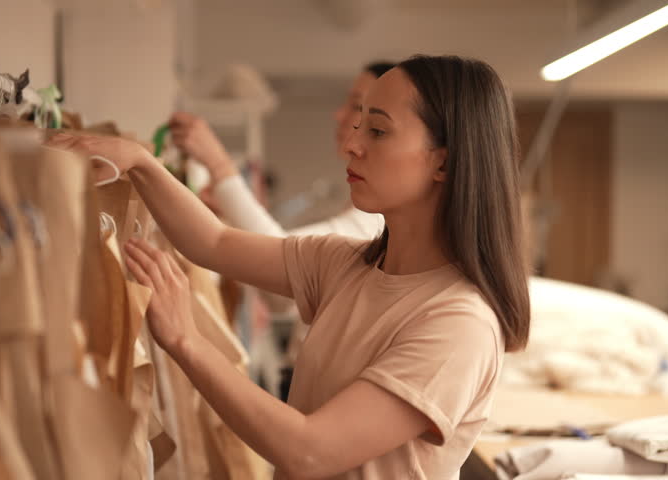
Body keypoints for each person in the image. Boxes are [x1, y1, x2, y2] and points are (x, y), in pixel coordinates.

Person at [48, 54, 530, 479]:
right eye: (360, 125)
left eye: (378, 131)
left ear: (443, 164)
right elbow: (212, 242)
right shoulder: (347, 264)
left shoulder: (458, 322)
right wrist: (140, 164)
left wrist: (185, 340)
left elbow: (310, 451)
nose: (352, 145)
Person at [168, 61, 396, 240]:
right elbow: (283, 286)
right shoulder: (357, 212)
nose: (338, 115)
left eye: (356, 106)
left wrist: (218, 162)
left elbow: (278, 254)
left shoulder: (373, 222)